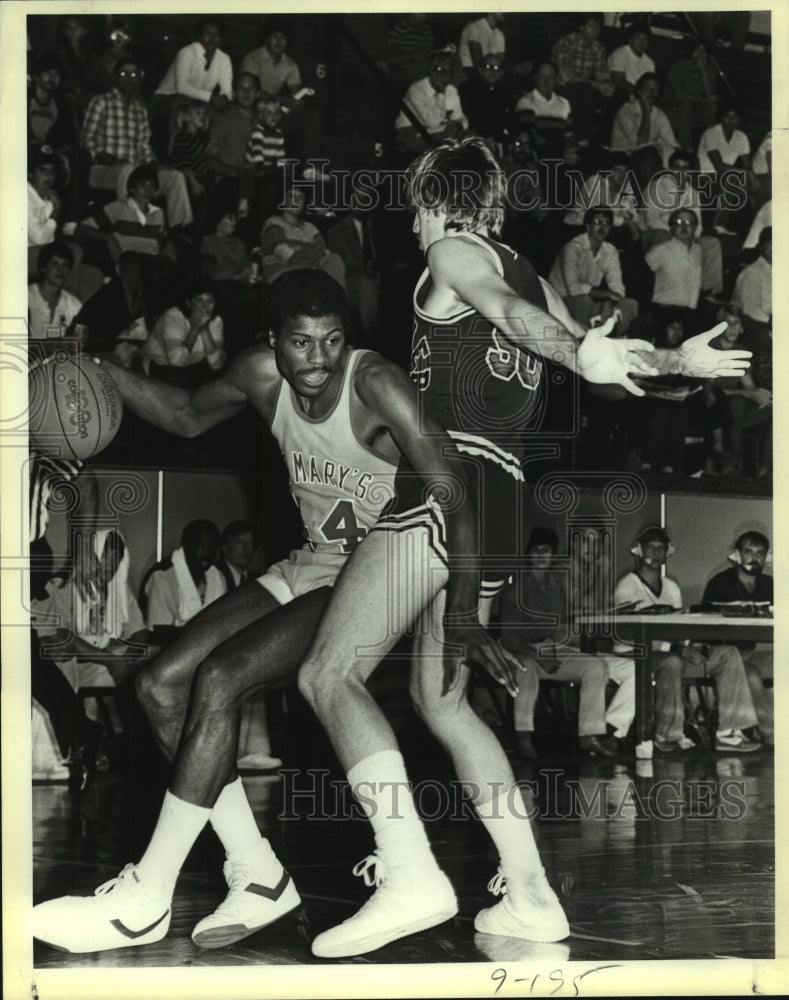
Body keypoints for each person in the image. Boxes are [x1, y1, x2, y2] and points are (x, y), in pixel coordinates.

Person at [292, 137, 752, 959]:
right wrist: (674, 356)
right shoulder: (531, 270)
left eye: (415, 201)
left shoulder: (452, 250)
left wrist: (580, 348)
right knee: (440, 703)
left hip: (449, 483)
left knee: (328, 673)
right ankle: (531, 896)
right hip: (501, 507)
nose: (411, 219)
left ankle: (407, 875)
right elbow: (586, 357)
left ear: (434, 198)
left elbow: (516, 322)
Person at [31, 268, 483, 954]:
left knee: (220, 680)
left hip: (376, 571)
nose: (318, 360)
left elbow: (456, 488)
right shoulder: (257, 375)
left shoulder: (375, 384)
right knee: (158, 684)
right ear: (274, 343)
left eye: (332, 341)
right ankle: (257, 875)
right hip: (311, 565)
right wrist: (93, 367)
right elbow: (183, 415)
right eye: (301, 343)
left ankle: (147, 894)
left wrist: (463, 613)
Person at [613, 526, 760, 753]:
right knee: (673, 662)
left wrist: (692, 645)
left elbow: (678, 628)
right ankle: (667, 734)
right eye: (650, 548)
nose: (655, 553)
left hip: (673, 651)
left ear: (668, 552)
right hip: (635, 654)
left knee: (728, 653)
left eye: (660, 548)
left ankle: (729, 733)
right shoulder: (627, 587)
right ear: (638, 551)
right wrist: (678, 650)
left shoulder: (671, 587)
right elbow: (631, 635)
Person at [498, 527, 634, 759]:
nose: (541, 555)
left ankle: (589, 736)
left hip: (555, 650)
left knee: (595, 666)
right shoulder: (515, 591)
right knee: (526, 668)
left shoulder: (558, 586)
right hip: (522, 651)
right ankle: (523, 737)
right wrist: (536, 653)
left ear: (552, 555)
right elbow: (509, 638)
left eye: (546, 550)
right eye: (536, 550)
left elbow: (567, 620)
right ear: (528, 555)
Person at [80, 57, 194, 232]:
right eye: (124, 74)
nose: (129, 78)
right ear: (115, 77)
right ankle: (129, 226)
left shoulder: (140, 109)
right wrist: (99, 154)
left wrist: (153, 163)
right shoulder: (100, 102)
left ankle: (181, 231)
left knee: (174, 176)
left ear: (139, 79)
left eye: (134, 74)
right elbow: (85, 140)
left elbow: (144, 146)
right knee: (128, 170)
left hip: (134, 172)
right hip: (103, 170)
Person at [702, 531, 773, 746]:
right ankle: (771, 733)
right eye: (748, 552)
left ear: (767, 557)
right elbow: (702, 626)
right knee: (750, 674)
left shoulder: (770, 585)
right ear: (737, 554)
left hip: (749, 654)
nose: (754, 558)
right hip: (720, 654)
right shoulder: (720, 583)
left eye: (760, 553)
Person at [548, 208, 638, 333]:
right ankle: (589, 338)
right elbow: (573, 288)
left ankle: (612, 338)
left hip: (588, 303)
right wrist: (606, 295)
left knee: (630, 305)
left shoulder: (610, 250)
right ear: (588, 225)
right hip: (560, 302)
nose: (602, 227)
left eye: (606, 223)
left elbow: (617, 287)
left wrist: (609, 301)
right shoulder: (572, 247)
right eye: (597, 222)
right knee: (583, 301)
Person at [140, 519, 227, 636]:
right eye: (199, 546)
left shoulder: (217, 576)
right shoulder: (162, 576)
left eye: (211, 547)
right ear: (185, 546)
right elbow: (159, 631)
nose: (206, 553)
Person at [260, 184, 345, 289]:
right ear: (284, 199)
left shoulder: (311, 228)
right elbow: (283, 251)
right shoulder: (273, 223)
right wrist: (311, 250)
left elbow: (324, 252)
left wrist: (296, 247)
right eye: (292, 196)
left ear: (305, 202)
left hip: (312, 270)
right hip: (281, 271)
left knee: (333, 259)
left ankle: (336, 302)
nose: (296, 201)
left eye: (300, 197)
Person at [550, 14, 615, 139]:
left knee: (616, 95)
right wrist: (596, 84)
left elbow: (602, 73)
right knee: (584, 89)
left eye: (598, 27)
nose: (595, 30)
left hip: (584, 89)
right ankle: (582, 137)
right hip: (560, 87)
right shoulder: (566, 42)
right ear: (581, 27)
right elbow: (566, 76)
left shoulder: (598, 47)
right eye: (591, 26)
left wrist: (607, 85)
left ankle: (602, 141)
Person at [142, 284, 226, 380]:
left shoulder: (216, 321)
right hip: (158, 366)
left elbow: (217, 365)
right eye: (199, 300)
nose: (205, 307)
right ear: (188, 303)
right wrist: (194, 329)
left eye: (210, 301)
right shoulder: (173, 316)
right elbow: (176, 362)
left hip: (188, 368)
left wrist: (204, 330)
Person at [395, 50, 468, 158]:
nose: (444, 76)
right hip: (411, 134)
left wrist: (456, 125)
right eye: (439, 70)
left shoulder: (451, 90)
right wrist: (441, 94)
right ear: (431, 70)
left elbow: (462, 120)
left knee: (469, 138)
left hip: (440, 132)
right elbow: (432, 122)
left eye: (448, 72)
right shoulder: (416, 90)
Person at [610, 72, 678, 185]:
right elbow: (639, 142)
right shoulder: (626, 110)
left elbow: (671, 141)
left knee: (685, 158)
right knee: (649, 154)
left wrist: (683, 155)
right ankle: (645, 200)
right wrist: (646, 112)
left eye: (655, 90)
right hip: (624, 157)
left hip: (648, 158)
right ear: (639, 91)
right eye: (647, 89)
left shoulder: (658, 113)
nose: (651, 94)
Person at [662, 38, 718, 151]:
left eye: (704, 51)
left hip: (696, 108)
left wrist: (703, 71)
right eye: (697, 50)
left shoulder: (709, 69)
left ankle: (712, 148)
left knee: (713, 107)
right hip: (673, 106)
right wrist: (704, 100)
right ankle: (686, 149)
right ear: (691, 52)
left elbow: (709, 94)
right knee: (686, 105)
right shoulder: (679, 66)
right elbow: (679, 96)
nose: (700, 54)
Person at [28, 241, 82, 340]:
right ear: (44, 267)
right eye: (55, 264)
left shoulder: (73, 304)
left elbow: (79, 340)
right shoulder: (26, 297)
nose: (61, 270)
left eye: (65, 265)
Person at [457, 54, 512, 145]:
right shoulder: (467, 88)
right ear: (480, 70)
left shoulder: (504, 91)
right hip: (474, 140)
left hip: (499, 141)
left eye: (496, 68)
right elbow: (469, 119)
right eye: (488, 67)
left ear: (502, 73)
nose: (493, 71)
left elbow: (509, 119)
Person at [734, 226, 771, 327]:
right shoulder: (751, 272)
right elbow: (751, 310)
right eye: (770, 243)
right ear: (761, 247)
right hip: (759, 326)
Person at [607, 23, 655, 93]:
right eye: (638, 38)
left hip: (640, 99)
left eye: (645, 39)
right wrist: (639, 93)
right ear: (630, 40)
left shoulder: (650, 63)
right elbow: (618, 83)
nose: (641, 42)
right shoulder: (619, 54)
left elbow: (650, 87)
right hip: (619, 95)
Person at [216, 521, 258, 591]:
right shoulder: (214, 575)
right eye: (239, 542)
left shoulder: (258, 580)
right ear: (225, 547)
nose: (245, 548)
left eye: (250, 542)